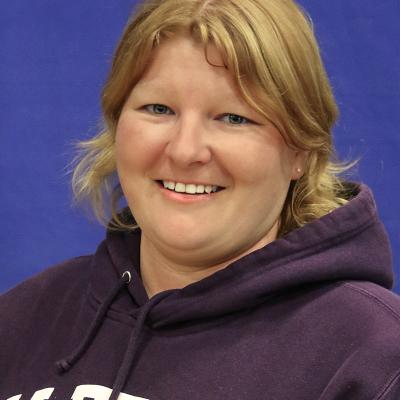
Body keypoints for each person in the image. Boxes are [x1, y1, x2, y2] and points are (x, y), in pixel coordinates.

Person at [1, 0, 399, 399]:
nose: (185, 150)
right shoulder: (24, 319)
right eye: (159, 109)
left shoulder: (373, 358)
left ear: (302, 150)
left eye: (233, 118)